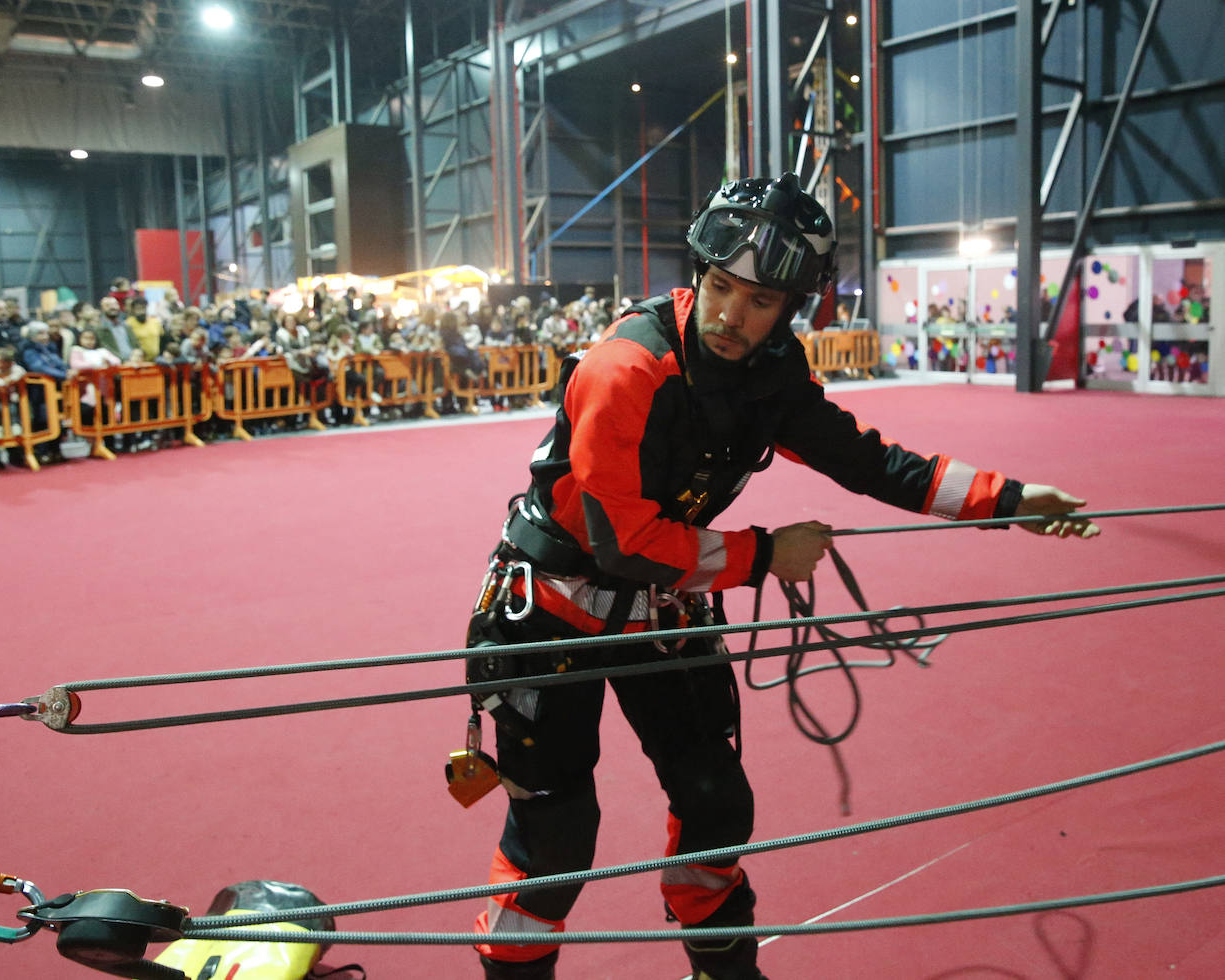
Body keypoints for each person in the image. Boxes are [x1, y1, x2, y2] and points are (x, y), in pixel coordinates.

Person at [464, 173, 1100, 980]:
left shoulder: (771, 377)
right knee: (557, 837)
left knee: (717, 805)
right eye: (721, 286)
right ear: (699, 273)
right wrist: (765, 554)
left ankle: (724, 973)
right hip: (550, 607)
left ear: (789, 308)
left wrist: (1008, 500)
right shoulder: (626, 369)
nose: (733, 315)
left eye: (760, 301)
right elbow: (623, 544)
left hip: (660, 610)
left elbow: (869, 461)